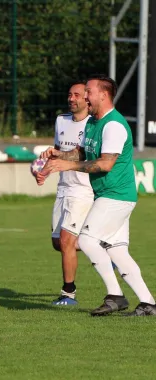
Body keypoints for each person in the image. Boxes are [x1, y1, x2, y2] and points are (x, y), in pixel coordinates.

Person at [39, 74, 155, 317]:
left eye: (89, 92)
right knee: (117, 251)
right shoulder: (93, 122)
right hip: (107, 194)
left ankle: (115, 296)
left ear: (103, 95)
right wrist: (59, 157)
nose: (85, 96)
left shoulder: (113, 124)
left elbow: (105, 164)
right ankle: (148, 303)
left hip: (116, 195)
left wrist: (68, 167)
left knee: (88, 240)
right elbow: (82, 152)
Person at [41, 81, 94, 306]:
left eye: (77, 95)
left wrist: (58, 154)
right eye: (69, 94)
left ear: (87, 99)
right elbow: (58, 152)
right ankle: (102, 251)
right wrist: (44, 170)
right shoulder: (61, 120)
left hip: (83, 189)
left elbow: (81, 155)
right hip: (64, 187)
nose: (71, 99)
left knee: (66, 240)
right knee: (58, 243)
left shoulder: (94, 124)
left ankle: (68, 293)